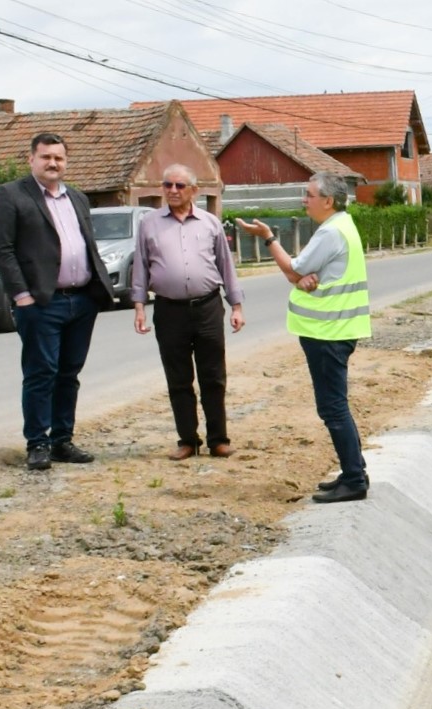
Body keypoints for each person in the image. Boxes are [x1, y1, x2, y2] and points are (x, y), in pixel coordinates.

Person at [236, 172, 370, 503]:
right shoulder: (342, 225)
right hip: (337, 330)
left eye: (309, 194)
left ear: (328, 200)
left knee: (332, 407)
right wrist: (300, 278)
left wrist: (269, 237)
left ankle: (354, 479)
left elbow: (292, 269)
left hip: (328, 332)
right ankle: (354, 471)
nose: (304, 200)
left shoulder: (330, 232)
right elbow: (302, 274)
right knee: (336, 405)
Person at [0, 132, 115, 471]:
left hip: (81, 300)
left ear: (66, 161)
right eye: (46, 157)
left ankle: (62, 440)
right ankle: (37, 443)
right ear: (31, 159)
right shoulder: (12, 195)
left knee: (69, 373)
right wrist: (22, 296)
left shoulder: (78, 197)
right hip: (41, 303)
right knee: (41, 373)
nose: (52, 163)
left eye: (58, 157)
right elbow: (1, 250)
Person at [131, 164, 245, 460]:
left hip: (207, 307)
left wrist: (236, 305)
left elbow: (226, 266)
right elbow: (141, 266)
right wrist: (139, 306)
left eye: (179, 186)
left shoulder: (210, 223)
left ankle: (218, 440)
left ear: (193, 190)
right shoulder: (149, 224)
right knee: (178, 378)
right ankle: (187, 440)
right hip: (169, 310)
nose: (172, 190)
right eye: (167, 185)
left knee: (213, 376)